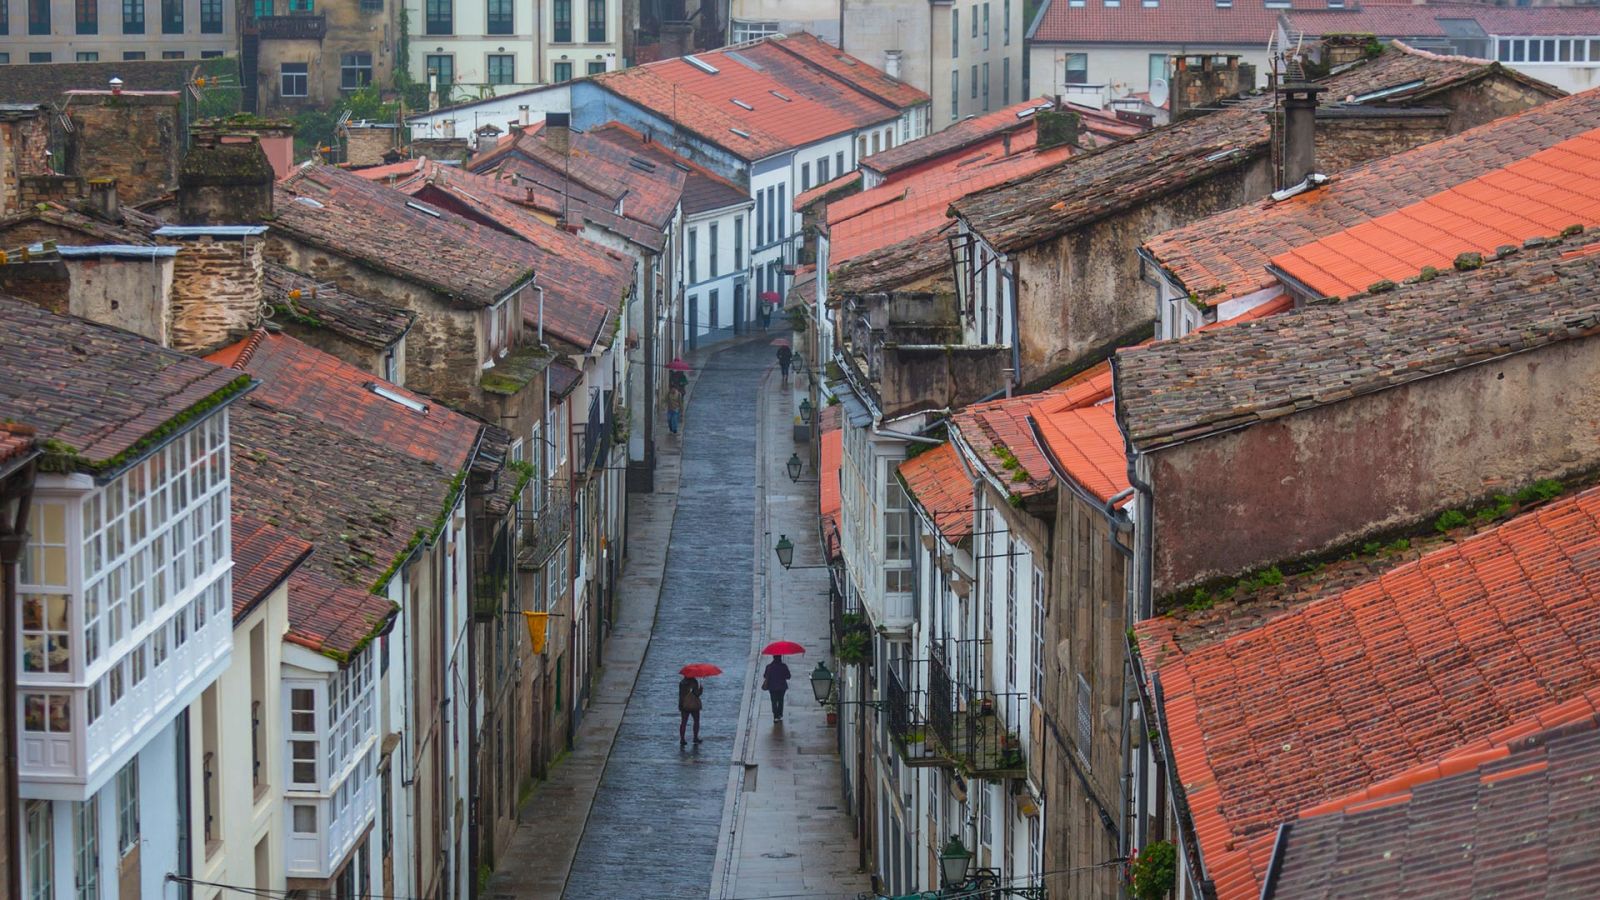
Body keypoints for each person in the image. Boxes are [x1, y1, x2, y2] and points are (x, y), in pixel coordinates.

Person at [762, 655, 792, 722]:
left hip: (772, 687)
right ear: (780, 658)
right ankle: (780, 714)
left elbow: (765, 676)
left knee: (774, 701)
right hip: (782, 687)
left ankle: (775, 716)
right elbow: (788, 676)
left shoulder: (769, 667)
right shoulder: (783, 666)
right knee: (780, 700)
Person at [679, 675, 703, 745]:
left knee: (683, 722)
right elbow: (697, 694)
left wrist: (680, 705)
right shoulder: (694, 682)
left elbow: (680, 695)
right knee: (696, 721)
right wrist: (701, 689)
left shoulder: (682, 683)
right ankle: (695, 737)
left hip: (684, 705)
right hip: (694, 705)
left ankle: (682, 739)